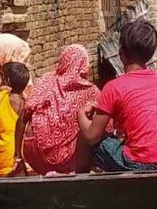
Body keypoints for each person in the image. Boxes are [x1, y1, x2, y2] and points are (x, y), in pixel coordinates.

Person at [78, 20, 157, 172]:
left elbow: (92, 136)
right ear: (150, 55)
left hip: (144, 165)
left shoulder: (113, 87)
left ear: (121, 54)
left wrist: (80, 115)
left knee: (99, 144)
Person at [21, 45, 101, 176]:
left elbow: (27, 110)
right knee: (93, 131)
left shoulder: (45, 80)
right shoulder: (90, 91)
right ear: (84, 64)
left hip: (33, 149)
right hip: (66, 159)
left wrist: (18, 155)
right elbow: (105, 125)